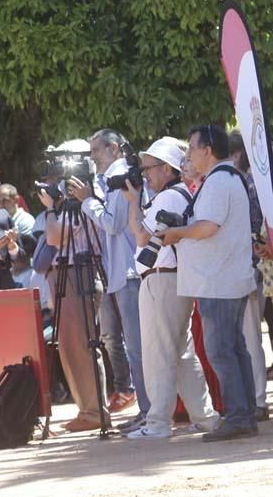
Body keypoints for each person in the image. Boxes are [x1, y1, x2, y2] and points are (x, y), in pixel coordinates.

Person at [163, 124, 258, 441]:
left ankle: (238, 416)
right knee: (234, 349)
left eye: (191, 148)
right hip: (225, 278)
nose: (188, 154)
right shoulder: (226, 178)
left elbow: (207, 227)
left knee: (221, 351)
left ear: (207, 150)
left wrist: (177, 233)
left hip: (218, 280)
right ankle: (244, 413)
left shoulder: (218, 181)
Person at [120, 138, 219, 439]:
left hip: (162, 279)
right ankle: (206, 418)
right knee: (180, 353)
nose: (144, 173)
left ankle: (158, 423)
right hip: (172, 278)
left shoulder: (166, 198)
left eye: (149, 167)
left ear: (167, 168)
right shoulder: (176, 194)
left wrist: (133, 201)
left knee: (158, 353)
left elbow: (139, 236)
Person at [67, 129, 141, 426]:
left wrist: (87, 200)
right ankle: (147, 412)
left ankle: (149, 413)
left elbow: (112, 224)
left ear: (113, 148)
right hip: (121, 272)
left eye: (95, 150)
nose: (92, 157)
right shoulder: (109, 179)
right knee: (132, 346)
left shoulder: (120, 175)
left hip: (129, 271)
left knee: (136, 347)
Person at [40, 165, 111, 432]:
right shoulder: (72, 207)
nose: (54, 188)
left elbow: (53, 236)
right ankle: (87, 410)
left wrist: (49, 208)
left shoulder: (83, 205)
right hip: (69, 274)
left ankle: (95, 412)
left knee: (82, 346)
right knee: (70, 347)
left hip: (79, 274)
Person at [228, 130, 268, 419]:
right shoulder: (249, 183)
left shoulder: (248, 185)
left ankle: (258, 401)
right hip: (250, 267)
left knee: (250, 338)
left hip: (250, 268)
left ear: (235, 155)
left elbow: (252, 229)